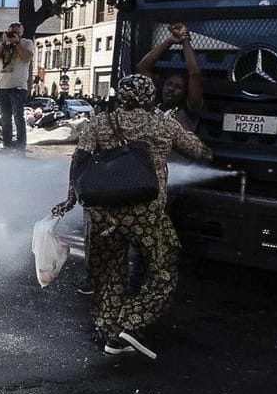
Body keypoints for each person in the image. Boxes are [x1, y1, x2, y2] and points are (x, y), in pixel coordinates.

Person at [52, 74, 211, 359]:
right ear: (150, 96)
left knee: (108, 276)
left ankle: (109, 334)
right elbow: (198, 150)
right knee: (163, 271)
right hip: (146, 212)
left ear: (121, 95)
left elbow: (79, 161)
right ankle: (130, 323)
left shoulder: (100, 122)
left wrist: (71, 197)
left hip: (102, 212)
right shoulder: (163, 123)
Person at [136, 22, 205, 133]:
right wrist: (170, 41)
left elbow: (195, 74)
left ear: (185, 92)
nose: (171, 89)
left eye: (178, 87)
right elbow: (142, 68)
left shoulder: (189, 109)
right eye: (169, 84)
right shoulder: (154, 102)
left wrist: (184, 39)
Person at [0, 22, 34, 150]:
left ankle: (20, 146)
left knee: (18, 117)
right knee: (5, 118)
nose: (13, 35)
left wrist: (16, 43)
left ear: (21, 33)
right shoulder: (3, 45)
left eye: (17, 32)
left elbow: (26, 58)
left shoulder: (26, 43)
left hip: (18, 86)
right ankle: (7, 145)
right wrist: (3, 43)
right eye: (11, 32)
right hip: (2, 86)